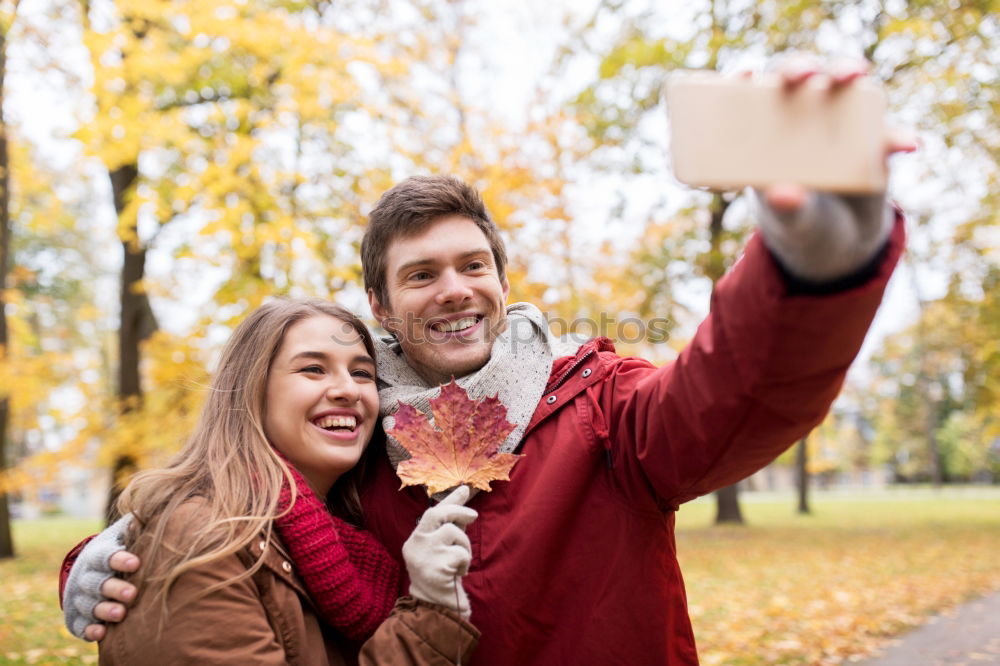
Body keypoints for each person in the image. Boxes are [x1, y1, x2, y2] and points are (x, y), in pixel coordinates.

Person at [63, 59, 914, 664]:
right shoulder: (358, 447)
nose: (455, 291)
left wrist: (810, 269)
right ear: (384, 310)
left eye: (474, 267)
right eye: (422, 275)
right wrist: (112, 551)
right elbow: (246, 503)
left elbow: (734, 398)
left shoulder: (600, 405)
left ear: (503, 284)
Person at [66, 299, 480, 665]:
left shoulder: (349, 531)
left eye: (361, 373)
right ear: (251, 391)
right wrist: (430, 616)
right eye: (313, 369)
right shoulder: (202, 540)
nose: (347, 390)